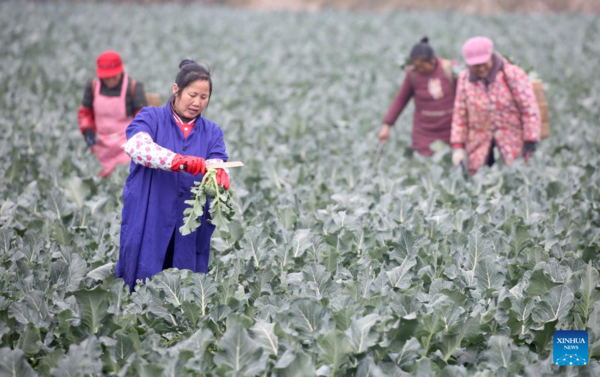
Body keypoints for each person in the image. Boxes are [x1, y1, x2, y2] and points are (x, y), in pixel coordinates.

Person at [116, 60, 230, 290]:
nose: (197, 103)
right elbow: (136, 147)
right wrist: (178, 161)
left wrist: (219, 175)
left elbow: (218, 161)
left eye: (204, 97)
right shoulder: (150, 117)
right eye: (192, 94)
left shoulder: (212, 132)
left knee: (185, 288)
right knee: (141, 284)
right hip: (150, 216)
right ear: (176, 89)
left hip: (189, 224)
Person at [451, 37, 541, 174]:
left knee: (514, 182)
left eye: (484, 63)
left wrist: (530, 139)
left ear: (491, 56)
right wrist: (458, 147)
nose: (481, 68)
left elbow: (529, 108)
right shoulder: (464, 79)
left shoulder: (512, 74)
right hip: (478, 148)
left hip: (512, 146)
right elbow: (460, 114)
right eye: (476, 65)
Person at [379, 37, 458, 156]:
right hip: (424, 133)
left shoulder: (450, 70)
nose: (420, 70)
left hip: (450, 130)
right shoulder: (413, 75)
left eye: (422, 66)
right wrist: (387, 124)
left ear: (432, 60)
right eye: (417, 67)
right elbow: (401, 100)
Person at [77, 50, 147, 177]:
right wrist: (87, 129)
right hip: (100, 146)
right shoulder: (92, 86)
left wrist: (138, 139)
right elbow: (85, 112)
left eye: (113, 77)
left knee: (123, 178)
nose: (110, 81)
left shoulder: (134, 87)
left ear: (121, 71)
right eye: (106, 78)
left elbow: (143, 118)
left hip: (126, 147)